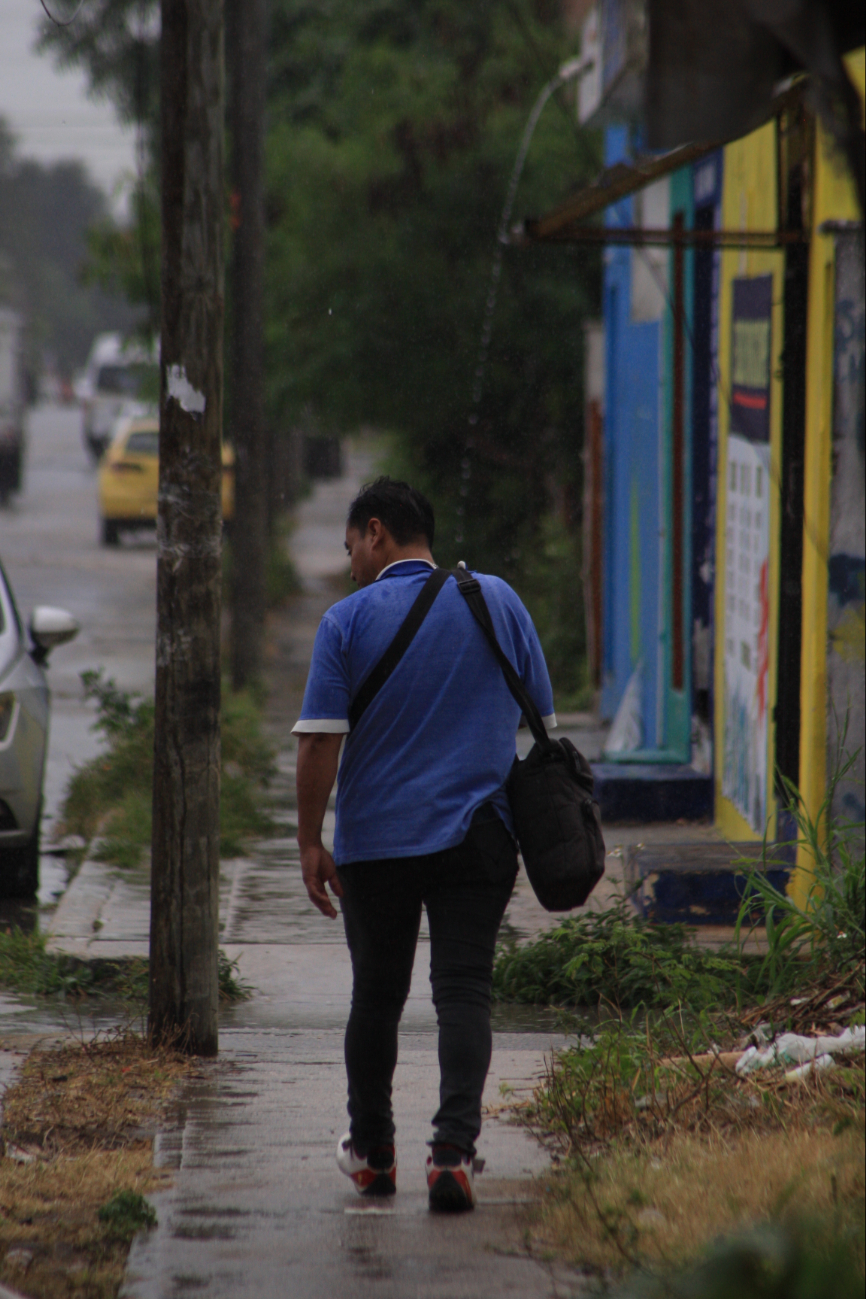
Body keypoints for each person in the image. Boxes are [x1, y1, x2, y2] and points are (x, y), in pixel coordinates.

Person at [293, 477, 555, 1211]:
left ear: (375, 533)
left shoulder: (345, 621)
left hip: (377, 842)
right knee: (464, 990)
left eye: (350, 547)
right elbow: (543, 718)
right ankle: (453, 1152)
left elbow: (319, 744)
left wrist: (310, 839)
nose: (349, 565)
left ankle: (374, 1155)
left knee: (377, 995)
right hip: (481, 834)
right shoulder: (497, 599)